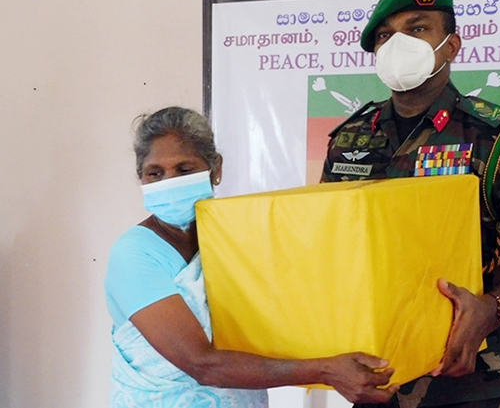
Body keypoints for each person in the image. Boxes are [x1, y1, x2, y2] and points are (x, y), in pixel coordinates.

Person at [321, 0, 500, 407]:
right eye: (385, 35)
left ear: (453, 45)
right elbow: (330, 243)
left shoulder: (494, 134)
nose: (398, 43)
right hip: (375, 379)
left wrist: (494, 308)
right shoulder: (350, 137)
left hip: (473, 383)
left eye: (418, 28)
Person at [105, 106, 398, 408]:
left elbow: (293, 310)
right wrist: (326, 369)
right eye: (155, 173)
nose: (170, 181)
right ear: (141, 177)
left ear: (215, 169)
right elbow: (201, 364)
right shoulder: (134, 254)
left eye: (184, 169)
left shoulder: (236, 237)